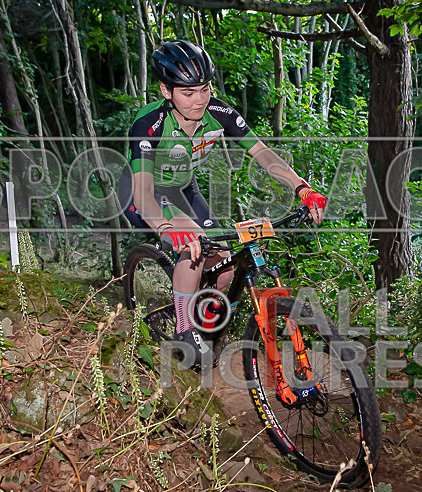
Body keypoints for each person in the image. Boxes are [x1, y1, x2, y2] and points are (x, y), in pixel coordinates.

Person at [118, 40, 327, 369]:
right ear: (166, 91)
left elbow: (263, 154)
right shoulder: (149, 125)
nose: (199, 99)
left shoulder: (220, 113)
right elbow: (144, 194)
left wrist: (302, 188)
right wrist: (167, 227)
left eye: (204, 89)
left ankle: (202, 317)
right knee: (192, 241)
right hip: (143, 192)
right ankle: (185, 329)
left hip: (185, 188)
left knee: (227, 264)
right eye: (188, 93)